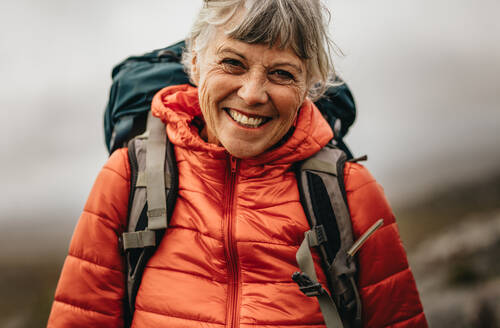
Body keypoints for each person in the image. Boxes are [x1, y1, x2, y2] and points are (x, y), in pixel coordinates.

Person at [48, 0, 427, 327]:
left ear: (308, 86)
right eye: (232, 63)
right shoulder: (128, 177)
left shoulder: (349, 190)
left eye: (281, 73)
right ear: (195, 63)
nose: (252, 93)